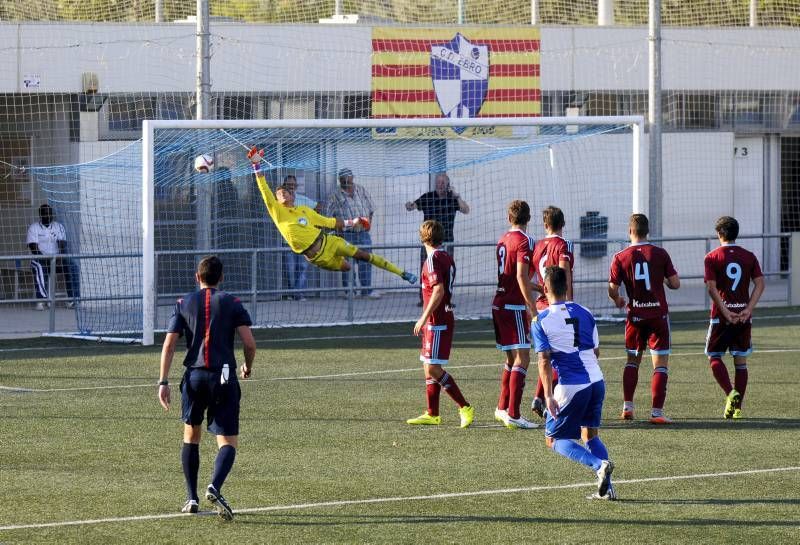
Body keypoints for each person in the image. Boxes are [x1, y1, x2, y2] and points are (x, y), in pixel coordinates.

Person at [157, 255, 257, 520]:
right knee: (227, 442)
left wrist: (163, 381)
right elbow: (249, 343)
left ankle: (191, 498)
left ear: (197, 277)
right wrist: (247, 366)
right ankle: (215, 485)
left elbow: (169, 345)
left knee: (191, 437)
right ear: (221, 278)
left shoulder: (183, 303)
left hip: (194, 377)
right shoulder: (233, 302)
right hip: (223, 376)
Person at [247, 148, 417, 287]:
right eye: (278, 194)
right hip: (319, 257)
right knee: (347, 267)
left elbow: (330, 222)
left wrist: (354, 221)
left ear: (292, 196)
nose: (281, 195)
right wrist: (256, 165)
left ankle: (402, 273)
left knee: (364, 256)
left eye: (284, 192)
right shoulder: (278, 212)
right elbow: (264, 189)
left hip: (330, 241)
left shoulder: (305, 210)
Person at [533, 265, 616, 500]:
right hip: (597, 381)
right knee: (590, 435)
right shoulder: (585, 311)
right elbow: (596, 350)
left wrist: (548, 396)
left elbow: (544, 360)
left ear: (545, 287)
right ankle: (607, 490)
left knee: (554, 440)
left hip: (572, 385)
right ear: (567, 286)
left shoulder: (541, 320)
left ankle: (599, 465)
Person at [608, 213, 680, 424]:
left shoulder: (620, 257)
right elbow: (675, 284)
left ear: (630, 232)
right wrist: (664, 280)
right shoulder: (660, 253)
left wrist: (618, 300)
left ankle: (627, 407)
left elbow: (612, 289)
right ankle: (656, 413)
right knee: (660, 365)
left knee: (632, 361)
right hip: (658, 315)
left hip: (635, 316)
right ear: (648, 231)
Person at [406, 220, 474, 428]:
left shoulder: (433, 260)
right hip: (439, 319)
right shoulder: (446, 257)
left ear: (422, 237)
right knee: (428, 367)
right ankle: (432, 413)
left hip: (437, 321)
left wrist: (424, 317)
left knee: (434, 368)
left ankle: (464, 406)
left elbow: (439, 290)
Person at [703, 216, 765, 419]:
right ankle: (737, 409)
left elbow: (711, 288)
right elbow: (760, 284)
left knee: (714, 356)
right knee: (741, 363)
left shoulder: (712, 257)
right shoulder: (749, 256)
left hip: (722, 317)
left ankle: (731, 393)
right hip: (743, 317)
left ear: (719, 234)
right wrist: (748, 309)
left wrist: (725, 311)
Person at [492, 200, 539, 429]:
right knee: (524, 357)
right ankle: (515, 413)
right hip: (514, 306)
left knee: (511, 359)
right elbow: (520, 276)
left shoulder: (502, 240)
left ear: (509, 218)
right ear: (528, 219)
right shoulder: (525, 241)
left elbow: (513, 276)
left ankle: (502, 408)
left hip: (499, 303)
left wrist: (539, 288)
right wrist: (533, 307)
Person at [530, 205, 575, 418]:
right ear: (562, 224)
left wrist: (540, 290)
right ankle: (552, 402)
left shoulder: (538, 246)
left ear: (545, 225)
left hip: (541, 305)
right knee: (560, 356)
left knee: (544, 355)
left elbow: (532, 278)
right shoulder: (562, 245)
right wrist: (570, 303)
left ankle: (539, 397)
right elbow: (564, 274)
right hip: (556, 306)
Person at [405, 173, 470, 306]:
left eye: (442, 182)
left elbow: (466, 210)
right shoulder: (428, 197)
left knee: (447, 270)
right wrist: (409, 205)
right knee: (426, 270)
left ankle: (446, 299)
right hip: (428, 241)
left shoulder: (453, 199)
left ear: (448, 184)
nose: (440, 185)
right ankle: (424, 299)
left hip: (446, 241)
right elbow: (413, 206)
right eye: (438, 182)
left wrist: (457, 196)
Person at [326, 167, 380, 298]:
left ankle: (367, 291)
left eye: (348, 179)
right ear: (340, 180)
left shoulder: (361, 190)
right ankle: (350, 291)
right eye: (343, 180)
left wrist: (369, 223)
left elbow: (371, 208)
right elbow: (329, 216)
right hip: (346, 234)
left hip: (363, 233)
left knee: (366, 261)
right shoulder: (335, 195)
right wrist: (338, 231)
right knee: (347, 263)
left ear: (352, 178)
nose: (347, 182)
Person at [27, 203, 79, 309]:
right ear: (40, 215)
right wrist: (46, 259)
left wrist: (59, 257)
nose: (48, 216)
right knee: (39, 266)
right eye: (45, 214)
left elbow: (62, 244)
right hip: (40, 259)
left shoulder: (58, 226)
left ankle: (72, 299)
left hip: (57, 259)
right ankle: (41, 301)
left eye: (50, 213)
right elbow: (33, 248)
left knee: (72, 265)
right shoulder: (34, 227)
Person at [281, 174, 322, 301]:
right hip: (288, 241)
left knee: (302, 268)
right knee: (289, 269)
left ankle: (298, 294)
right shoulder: (280, 201)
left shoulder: (303, 200)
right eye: (289, 185)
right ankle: (291, 293)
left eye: (293, 185)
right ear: (284, 186)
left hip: (303, 242)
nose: (291, 187)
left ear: (296, 186)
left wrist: (312, 222)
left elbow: (318, 207)